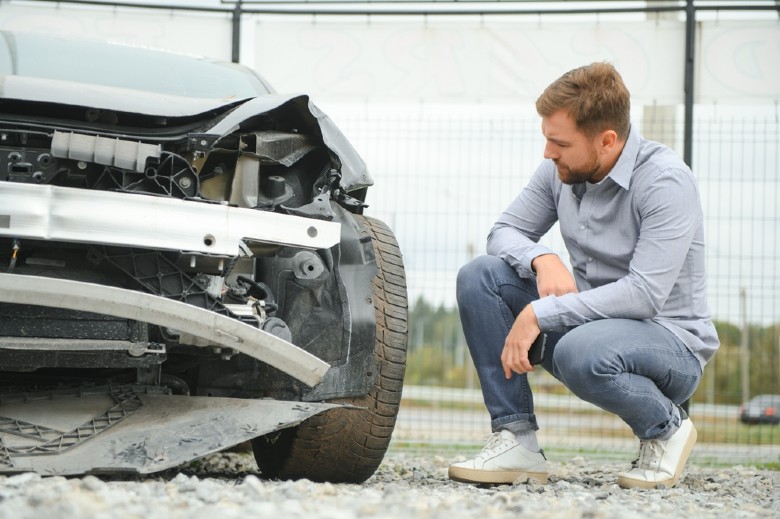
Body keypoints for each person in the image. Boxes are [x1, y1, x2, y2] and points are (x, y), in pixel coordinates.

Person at [448, 62, 719, 490]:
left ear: (607, 140)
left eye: (559, 142)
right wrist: (542, 258)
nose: (547, 152)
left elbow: (644, 295)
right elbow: (502, 233)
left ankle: (667, 428)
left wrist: (542, 312)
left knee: (579, 350)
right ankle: (516, 439)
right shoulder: (560, 170)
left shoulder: (666, 181)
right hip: (590, 328)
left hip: (670, 344)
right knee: (481, 277)